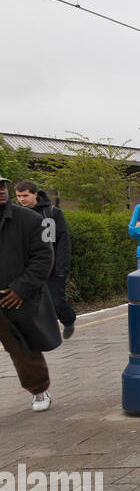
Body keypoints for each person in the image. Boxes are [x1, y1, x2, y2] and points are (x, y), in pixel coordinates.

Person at [0, 173, 59, 411]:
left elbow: (44, 258)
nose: (2, 190)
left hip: (14, 297)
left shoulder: (30, 219)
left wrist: (21, 288)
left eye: (3, 185)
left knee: (23, 348)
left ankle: (39, 390)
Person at [13, 181, 75, 339]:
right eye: (18, 196)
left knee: (56, 302)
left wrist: (62, 267)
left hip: (52, 267)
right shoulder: (15, 214)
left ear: (35, 194)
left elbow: (63, 241)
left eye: (25, 195)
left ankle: (68, 320)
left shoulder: (52, 213)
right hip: (28, 268)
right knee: (28, 303)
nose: (21, 199)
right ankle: (35, 334)